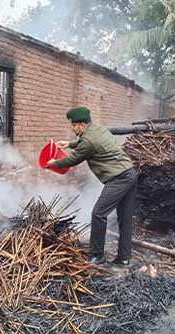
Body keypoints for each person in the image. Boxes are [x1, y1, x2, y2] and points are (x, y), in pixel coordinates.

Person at [46, 106, 137, 266]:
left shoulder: (88, 140)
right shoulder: (97, 129)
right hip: (129, 173)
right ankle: (123, 258)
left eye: (74, 125)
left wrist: (55, 163)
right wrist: (68, 143)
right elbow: (85, 142)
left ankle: (97, 256)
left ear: (82, 125)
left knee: (98, 214)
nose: (72, 128)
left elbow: (72, 160)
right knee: (125, 219)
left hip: (119, 178)